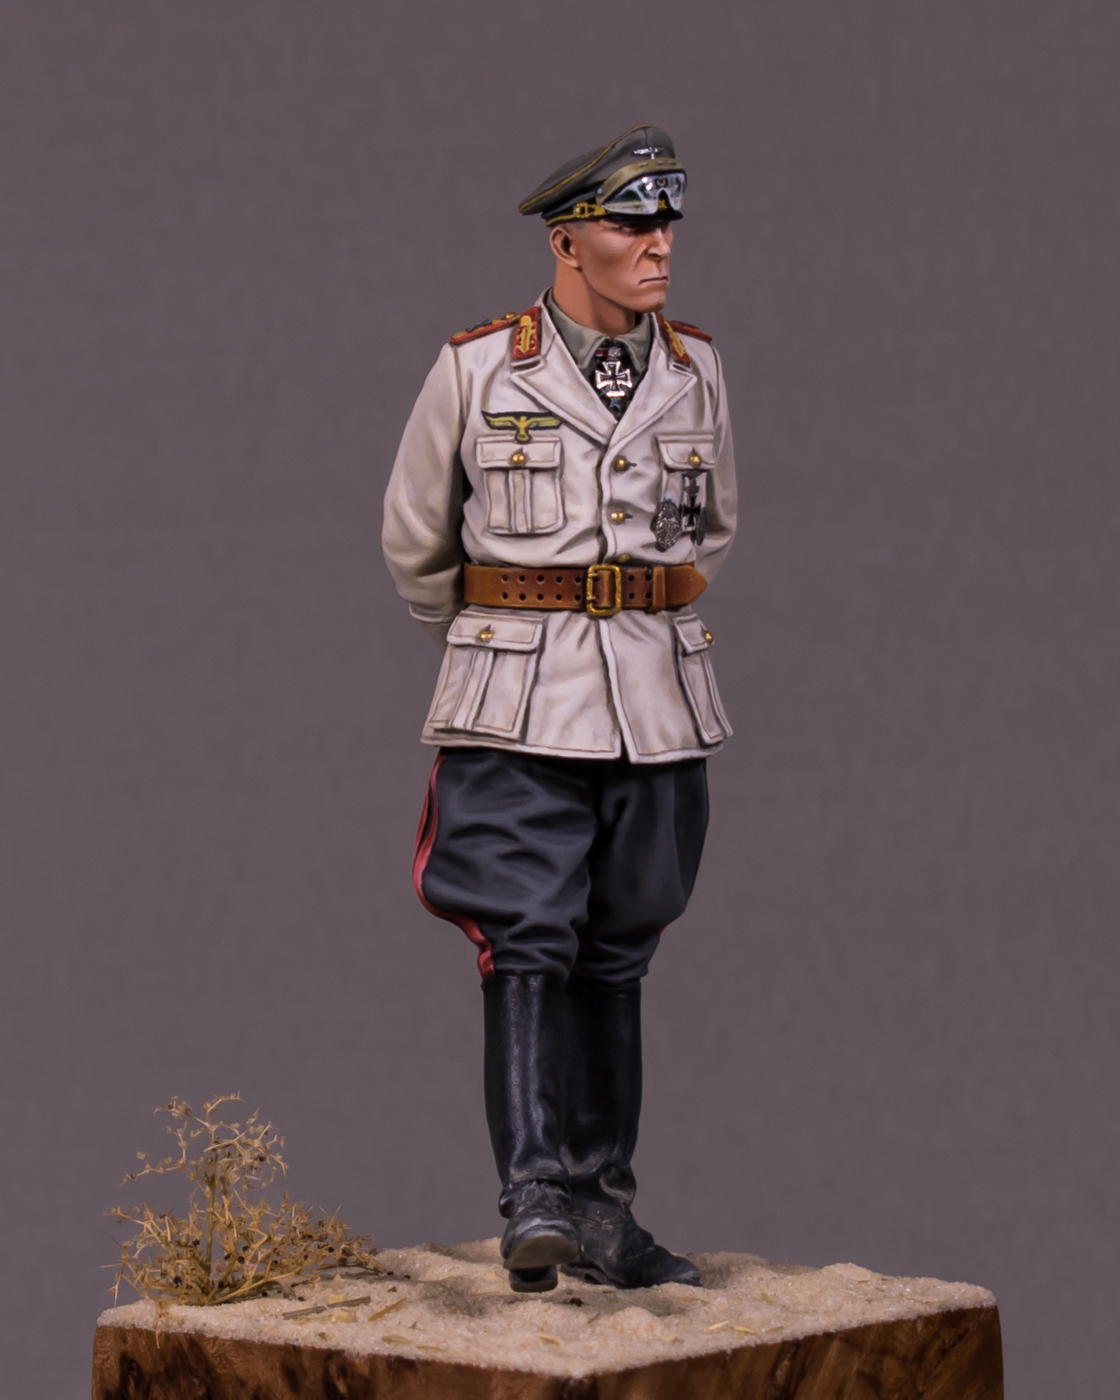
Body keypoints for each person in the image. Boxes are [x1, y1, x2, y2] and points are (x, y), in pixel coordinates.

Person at [382, 125, 736, 1293]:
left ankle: (604, 1207)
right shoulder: (480, 369)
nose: (660, 244)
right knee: (525, 937)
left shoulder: (695, 370)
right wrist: (503, 641)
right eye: (634, 223)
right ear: (568, 240)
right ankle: (533, 1193)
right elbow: (415, 540)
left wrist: (631, 626)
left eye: (666, 222)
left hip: (654, 704)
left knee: (622, 944)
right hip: (516, 702)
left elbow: (711, 531)